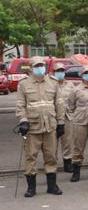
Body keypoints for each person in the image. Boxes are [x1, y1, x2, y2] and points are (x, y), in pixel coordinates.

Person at [16, 56, 65, 197]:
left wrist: (61, 123)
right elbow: (20, 105)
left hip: (50, 126)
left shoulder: (53, 82)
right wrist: (23, 121)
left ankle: (52, 186)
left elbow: (59, 104)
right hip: (32, 127)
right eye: (37, 66)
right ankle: (31, 188)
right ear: (31, 68)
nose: (40, 68)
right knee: (30, 157)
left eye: (41, 66)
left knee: (51, 157)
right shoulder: (24, 84)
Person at [68, 65, 88, 182]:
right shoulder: (76, 89)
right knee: (78, 146)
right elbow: (71, 105)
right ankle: (76, 171)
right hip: (80, 121)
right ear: (81, 75)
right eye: (86, 73)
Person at [53, 63, 74, 174]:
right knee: (52, 143)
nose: (60, 73)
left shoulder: (70, 85)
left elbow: (73, 100)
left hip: (67, 116)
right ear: (53, 72)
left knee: (67, 142)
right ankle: (52, 164)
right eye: (58, 70)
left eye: (62, 70)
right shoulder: (50, 84)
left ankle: (67, 163)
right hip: (53, 117)